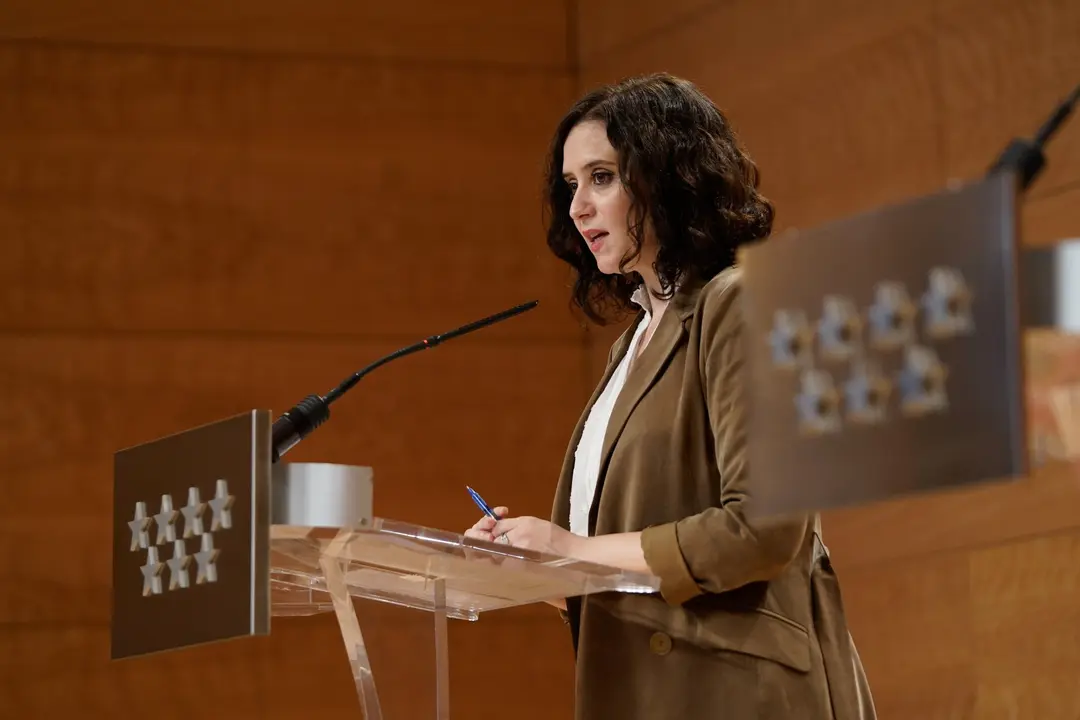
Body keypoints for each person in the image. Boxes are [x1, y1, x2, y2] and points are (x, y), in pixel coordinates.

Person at [465, 73, 877, 719]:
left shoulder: (743, 301)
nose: (577, 208)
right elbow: (624, 571)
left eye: (602, 177)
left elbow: (764, 529)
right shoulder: (629, 347)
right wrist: (533, 566)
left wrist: (570, 550)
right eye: (571, 185)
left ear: (668, 177)